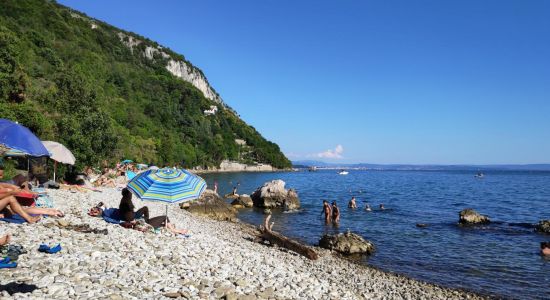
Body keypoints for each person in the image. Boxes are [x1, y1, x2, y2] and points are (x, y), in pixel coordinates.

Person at [117, 188, 188, 234]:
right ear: (128, 194)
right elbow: (130, 218)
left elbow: (129, 216)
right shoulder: (127, 203)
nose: (131, 194)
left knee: (162, 223)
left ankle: (168, 227)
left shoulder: (124, 201)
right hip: (142, 223)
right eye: (130, 193)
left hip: (139, 221)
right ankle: (175, 230)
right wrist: (139, 220)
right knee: (165, 217)